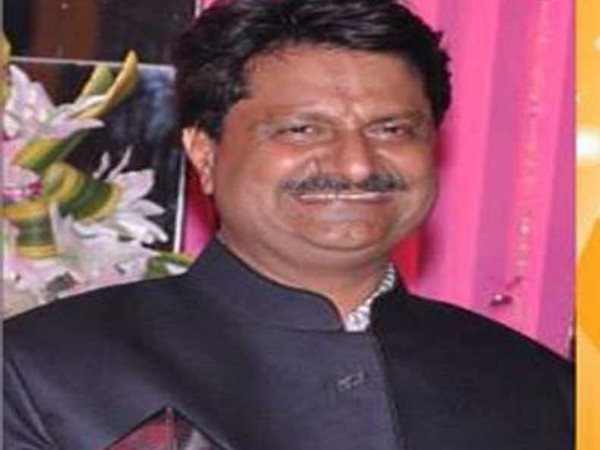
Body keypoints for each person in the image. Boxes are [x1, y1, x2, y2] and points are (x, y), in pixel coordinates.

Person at [4, 0, 573, 449]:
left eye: (392, 130)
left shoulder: (540, 386)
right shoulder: (41, 372)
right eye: (302, 130)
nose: (357, 164)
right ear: (205, 153)